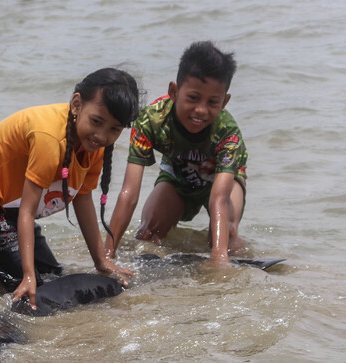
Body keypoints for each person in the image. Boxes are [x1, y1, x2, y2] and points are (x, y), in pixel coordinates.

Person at [0, 68, 139, 310]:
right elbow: (28, 213)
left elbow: (83, 199)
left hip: (12, 204)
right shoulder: (50, 140)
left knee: (54, 275)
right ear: (76, 104)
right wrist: (28, 275)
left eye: (114, 129)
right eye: (96, 121)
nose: (102, 136)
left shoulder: (93, 145)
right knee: (32, 291)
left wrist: (101, 261)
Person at [104, 41, 248, 266]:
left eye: (212, 102)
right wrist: (107, 254)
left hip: (221, 181)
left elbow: (219, 198)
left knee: (225, 236)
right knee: (148, 233)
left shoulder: (227, 132)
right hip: (177, 177)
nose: (201, 110)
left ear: (225, 102)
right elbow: (129, 193)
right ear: (174, 91)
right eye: (193, 98)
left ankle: (240, 252)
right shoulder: (151, 122)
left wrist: (219, 259)